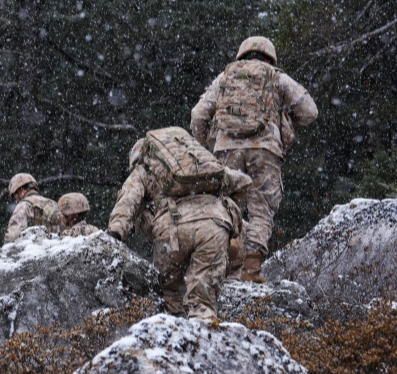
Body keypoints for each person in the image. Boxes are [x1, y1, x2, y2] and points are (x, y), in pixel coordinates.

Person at [190, 36, 317, 283]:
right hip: (265, 150)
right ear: (270, 57)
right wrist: (285, 119)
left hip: (226, 149)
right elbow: (310, 111)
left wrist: (206, 144)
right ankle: (251, 270)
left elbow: (198, 114)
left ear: (242, 54)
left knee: (226, 208)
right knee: (261, 209)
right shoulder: (276, 77)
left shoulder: (225, 77)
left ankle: (222, 265)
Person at [107, 128, 251, 321]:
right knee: (203, 302)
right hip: (214, 227)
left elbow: (128, 202)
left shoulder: (143, 170)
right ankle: (204, 331)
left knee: (171, 298)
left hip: (173, 233)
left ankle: (176, 337)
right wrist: (231, 218)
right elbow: (244, 183)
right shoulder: (200, 167)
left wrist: (115, 234)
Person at [3, 173, 59, 244]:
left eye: (15, 196)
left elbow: (12, 237)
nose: (16, 200)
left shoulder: (24, 205)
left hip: (36, 251)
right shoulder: (53, 203)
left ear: (20, 191)